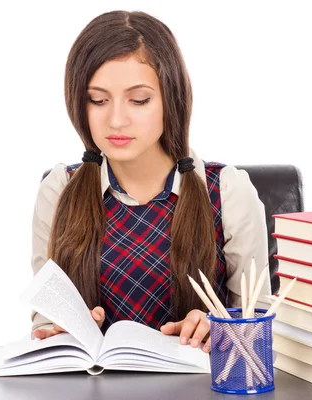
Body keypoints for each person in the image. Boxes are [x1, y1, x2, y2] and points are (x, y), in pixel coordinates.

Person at [30, 10, 270, 353]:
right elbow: (43, 321)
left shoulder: (227, 192)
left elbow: (258, 324)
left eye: (139, 100)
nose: (116, 120)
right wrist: (56, 331)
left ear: (170, 99)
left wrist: (221, 328)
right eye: (97, 100)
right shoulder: (59, 190)